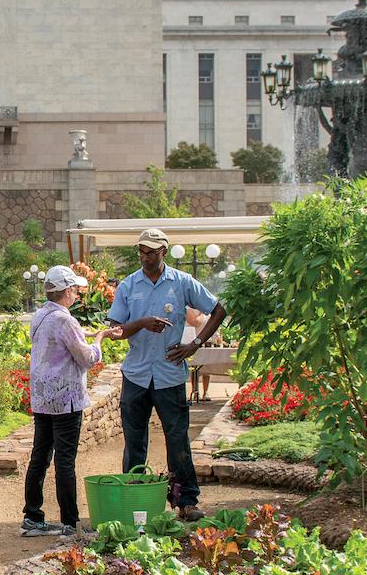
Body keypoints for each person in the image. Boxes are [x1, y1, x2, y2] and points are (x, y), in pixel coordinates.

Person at [103, 227, 226, 514]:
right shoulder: (129, 286)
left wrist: (195, 344)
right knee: (134, 441)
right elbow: (115, 331)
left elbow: (218, 309)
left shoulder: (182, 282)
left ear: (164, 253)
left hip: (170, 374)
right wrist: (142, 322)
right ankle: (135, 501)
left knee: (177, 438)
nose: (145, 257)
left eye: (151, 252)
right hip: (136, 373)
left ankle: (186, 501)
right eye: (141, 252)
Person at [21, 263, 104, 536]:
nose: (77, 294)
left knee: (40, 457)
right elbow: (87, 358)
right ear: (67, 290)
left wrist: (85, 334)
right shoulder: (66, 320)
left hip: (43, 398)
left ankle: (32, 517)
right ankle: (71, 522)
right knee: (65, 460)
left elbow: (60, 341)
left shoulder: (40, 315)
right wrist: (100, 338)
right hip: (65, 399)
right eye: (75, 289)